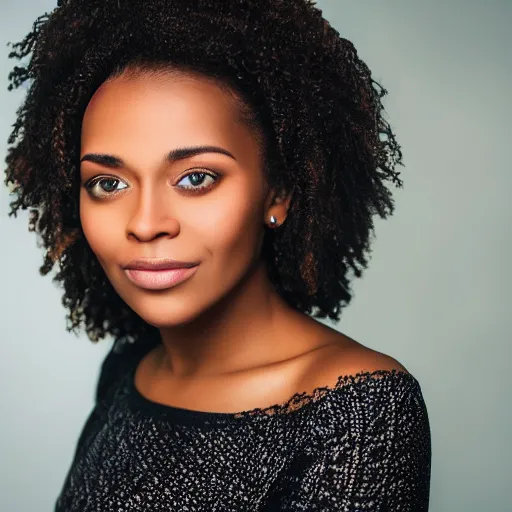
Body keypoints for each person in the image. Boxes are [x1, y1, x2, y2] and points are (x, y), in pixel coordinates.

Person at [4, 0, 431, 510]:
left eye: (195, 178)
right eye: (108, 183)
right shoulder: (129, 366)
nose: (144, 223)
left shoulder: (359, 411)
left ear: (278, 192)